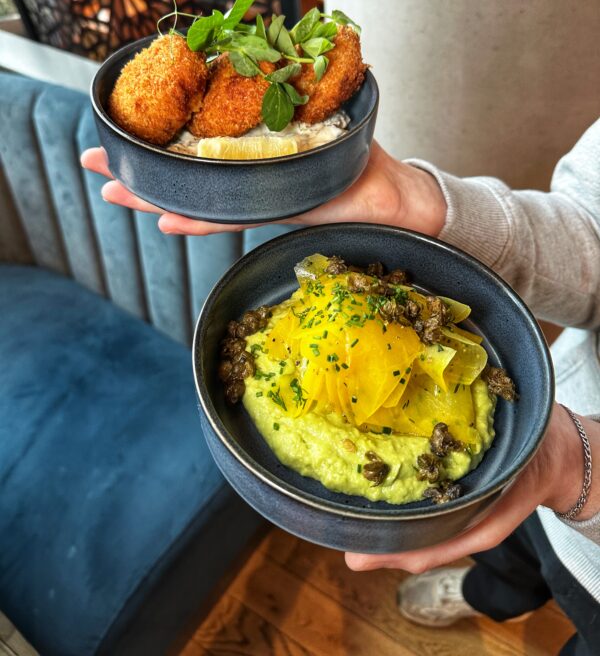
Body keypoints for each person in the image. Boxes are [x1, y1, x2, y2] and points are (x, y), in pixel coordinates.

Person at [81, 121, 600, 655]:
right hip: (555, 421)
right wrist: (419, 203)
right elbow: (591, 232)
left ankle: (513, 594)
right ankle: (492, 594)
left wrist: (580, 470)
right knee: (504, 553)